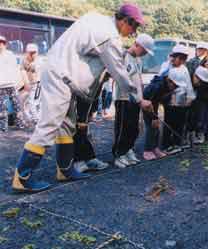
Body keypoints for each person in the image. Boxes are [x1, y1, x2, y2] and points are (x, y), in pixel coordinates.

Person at [12, 3, 149, 193]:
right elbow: (120, 73)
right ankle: (22, 177)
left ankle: (65, 170)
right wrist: (138, 97)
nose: (133, 33)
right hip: (60, 77)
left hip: (62, 75)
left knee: (67, 124)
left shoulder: (95, 18)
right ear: (125, 21)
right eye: (134, 27)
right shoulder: (109, 36)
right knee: (49, 125)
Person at [112, 33, 155, 168]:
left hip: (136, 100)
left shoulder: (138, 60)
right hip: (124, 98)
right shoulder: (124, 57)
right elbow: (123, 81)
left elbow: (138, 80)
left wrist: (141, 98)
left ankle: (128, 149)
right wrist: (137, 99)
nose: (144, 54)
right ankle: (119, 154)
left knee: (133, 128)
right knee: (123, 127)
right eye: (144, 50)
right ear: (137, 44)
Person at [142, 67, 187, 160]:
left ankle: (155, 148)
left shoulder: (167, 86)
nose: (175, 88)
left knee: (157, 128)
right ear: (169, 80)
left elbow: (161, 100)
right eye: (175, 85)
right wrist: (153, 117)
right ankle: (147, 150)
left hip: (154, 105)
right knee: (150, 126)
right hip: (146, 104)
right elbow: (151, 101)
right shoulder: (157, 86)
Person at [0, 35, 25, 132]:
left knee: (17, 105)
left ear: (5, 44)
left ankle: (20, 124)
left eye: (2, 43)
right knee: (2, 108)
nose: (0, 45)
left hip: (11, 84)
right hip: (1, 85)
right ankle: (3, 127)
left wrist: (18, 81)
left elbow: (16, 68)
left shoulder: (10, 54)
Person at [20, 43, 42, 124]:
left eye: (34, 53)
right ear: (27, 52)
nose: (32, 54)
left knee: (34, 103)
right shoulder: (24, 60)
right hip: (30, 84)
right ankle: (36, 120)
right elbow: (22, 70)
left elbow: (34, 72)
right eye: (30, 53)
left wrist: (28, 83)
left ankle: (37, 121)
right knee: (32, 102)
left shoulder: (38, 61)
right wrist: (26, 83)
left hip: (38, 84)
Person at [190, 66, 208, 144]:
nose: (200, 83)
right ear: (195, 75)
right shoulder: (189, 80)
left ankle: (196, 135)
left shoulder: (200, 86)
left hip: (198, 101)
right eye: (199, 80)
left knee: (200, 118)